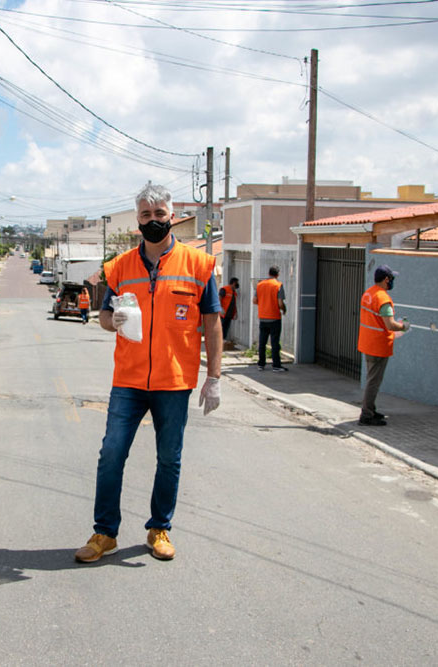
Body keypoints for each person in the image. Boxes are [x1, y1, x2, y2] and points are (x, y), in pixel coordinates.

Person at [74, 182, 223, 564]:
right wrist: (113, 321)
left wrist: (215, 377)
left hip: (174, 382)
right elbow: (104, 316)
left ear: (171, 217)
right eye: (145, 215)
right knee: (111, 454)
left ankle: (160, 529)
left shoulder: (199, 265)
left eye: (159, 214)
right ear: (137, 220)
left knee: (169, 458)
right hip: (128, 379)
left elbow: (212, 322)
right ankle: (104, 533)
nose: (152, 220)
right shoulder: (121, 267)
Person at [357, 264, 409, 426]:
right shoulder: (383, 299)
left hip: (367, 342)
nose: (392, 281)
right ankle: (366, 415)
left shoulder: (369, 294)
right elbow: (390, 324)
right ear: (386, 279)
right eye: (391, 278)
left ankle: (370, 409)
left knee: (372, 378)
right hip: (378, 345)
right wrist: (403, 326)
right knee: (374, 381)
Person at [253, 266, 288, 372]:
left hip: (263, 317)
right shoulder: (278, 285)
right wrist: (284, 310)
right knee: (274, 343)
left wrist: (263, 303)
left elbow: (254, 301)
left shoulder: (260, 285)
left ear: (268, 273)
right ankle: (276, 365)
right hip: (274, 317)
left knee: (262, 342)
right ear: (278, 274)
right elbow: (280, 303)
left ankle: (261, 364)